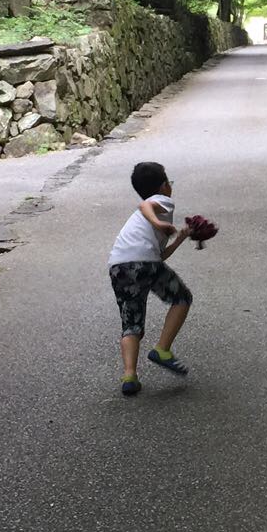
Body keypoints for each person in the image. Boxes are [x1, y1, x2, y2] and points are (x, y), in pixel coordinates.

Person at [109, 160, 193, 396]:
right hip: (143, 264)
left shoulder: (141, 223)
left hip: (119, 266)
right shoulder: (162, 201)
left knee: (131, 323)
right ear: (164, 185)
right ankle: (162, 350)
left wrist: (180, 238)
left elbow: (158, 255)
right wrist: (158, 221)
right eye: (169, 182)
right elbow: (145, 205)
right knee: (182, 298)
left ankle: (129, 376)